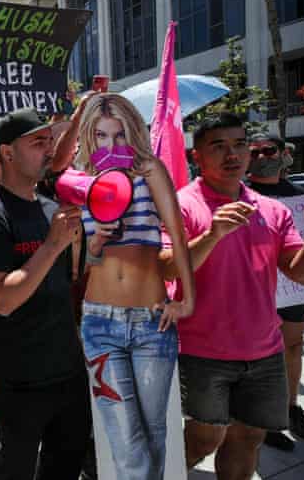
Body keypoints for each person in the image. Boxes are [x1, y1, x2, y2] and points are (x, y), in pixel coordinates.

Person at [159, 113, 304, 480]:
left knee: (248, 438)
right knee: (204, 438)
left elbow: (303, 273)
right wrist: (212, 235)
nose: (233, 154)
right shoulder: (181, 204)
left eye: (239, 144)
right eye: (219, 146)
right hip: (202, 352)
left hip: (265, 351)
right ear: (197, 156)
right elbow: (165, 267)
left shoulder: (272, 209)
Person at [70, 93, 195, 480]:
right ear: (90, 135)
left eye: (120, 135)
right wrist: (93, 246)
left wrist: (187, 300)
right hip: (99, 324)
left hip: (151, 321)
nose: (111, 145)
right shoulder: (81, 179)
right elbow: (80, 265)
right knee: (127, 447)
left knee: (154, 436)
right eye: (102, 135)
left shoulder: (150, 169)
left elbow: (176, 233)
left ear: (133, 132)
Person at [0, 107, 90, 479]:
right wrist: (52, 245)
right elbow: (1, 301)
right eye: (38, 142)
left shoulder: (54, 207)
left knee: (63, 468)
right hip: (20, 380)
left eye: (49, 141)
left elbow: (69, 285)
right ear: (7, 152)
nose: (48, 150)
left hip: (68, 372)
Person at [246, 133, 304, 451]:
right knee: (258, 356)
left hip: (291, 288)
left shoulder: (303, 198)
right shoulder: (237, 195)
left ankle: (291, 409)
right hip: (252, 291)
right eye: (254, 152)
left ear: (285, 154)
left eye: (269, 150)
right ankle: (262, 417)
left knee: (292, 347)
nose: (262, 156)